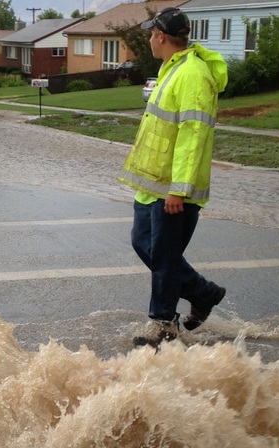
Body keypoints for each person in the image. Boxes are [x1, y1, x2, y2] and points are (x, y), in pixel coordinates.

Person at [117, 7, 229, 347]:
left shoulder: (193, 74)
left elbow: (192, 136)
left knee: (164, 258)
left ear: (161, 37)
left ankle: (163, 324)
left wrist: (178, 190)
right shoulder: (172, 67)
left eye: (151, 34)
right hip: (152, 184)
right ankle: (203, 291)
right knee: (143, 243)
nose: (150, 39)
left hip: (174, 190)